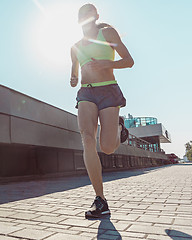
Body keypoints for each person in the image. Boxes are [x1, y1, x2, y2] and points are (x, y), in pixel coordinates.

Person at [70, 3, 134, 218]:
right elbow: (74, 74)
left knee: (107, 147)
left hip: (108, 91)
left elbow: (129, 61)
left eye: (89, 15)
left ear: (96, 16)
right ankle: (101, 199)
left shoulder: (107, 33)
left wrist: (108, 63)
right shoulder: (75, 47)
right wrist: (73, 79)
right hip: (86, 93)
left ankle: (118, 126)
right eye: (82, 16)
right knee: (87, 137)